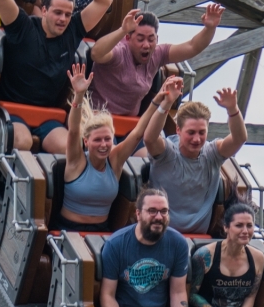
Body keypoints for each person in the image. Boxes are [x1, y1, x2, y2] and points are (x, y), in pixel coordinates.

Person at [0, 0, 111, 151]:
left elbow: (104, 1)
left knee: (69, 148)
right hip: (13, 110)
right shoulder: (23, 26)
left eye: (67, 14)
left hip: (47, 116)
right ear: (44, 10)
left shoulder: (72, 31)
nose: (63, 19)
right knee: (23, 142)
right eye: (57, 13)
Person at [58, 66, 184, 231]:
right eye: (97, 140)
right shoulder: (77, 160)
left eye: (107, 139)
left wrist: (158, 102)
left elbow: (137, 133)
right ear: (86, 142)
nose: (103, 145)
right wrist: (79, 95)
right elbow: (74, 130)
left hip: (101, 230)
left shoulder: (115, 160)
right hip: (69, 228)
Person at [142, 87, 248, 235]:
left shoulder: (211, 154)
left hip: (198, 238)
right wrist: (165, 104)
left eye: (202, 132)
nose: (197, 139)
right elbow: (149, 138)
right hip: (162, 234)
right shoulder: (167, 152)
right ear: (178, 130)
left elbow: (239, 139)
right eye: (191, 133)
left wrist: (233, 109)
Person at [89, 5, 224, 116]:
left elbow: (192, 47)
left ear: (157, 39)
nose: (146, 45)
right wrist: (123, 29)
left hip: (131, 125)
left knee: (155, 145)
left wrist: (210, 28)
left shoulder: (157, 54)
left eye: (151, 39)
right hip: (99, 118)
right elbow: (96, 54)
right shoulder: (120, 52)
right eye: (140, 39)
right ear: (128, 39)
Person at [99, 188, 191, 307]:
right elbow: (107, 294)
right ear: (138, 214)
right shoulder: (116, 244)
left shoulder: (178, 244)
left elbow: (178, 292)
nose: (158, 217)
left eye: (164, 211)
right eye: (152, 211)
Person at [189, 203, 264, 307]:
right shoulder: (204, 255)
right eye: (239, 225)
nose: (245, 231)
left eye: (249, 226)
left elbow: (251, 295)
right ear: (226, 227)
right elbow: (191, 294)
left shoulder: (258, 258)